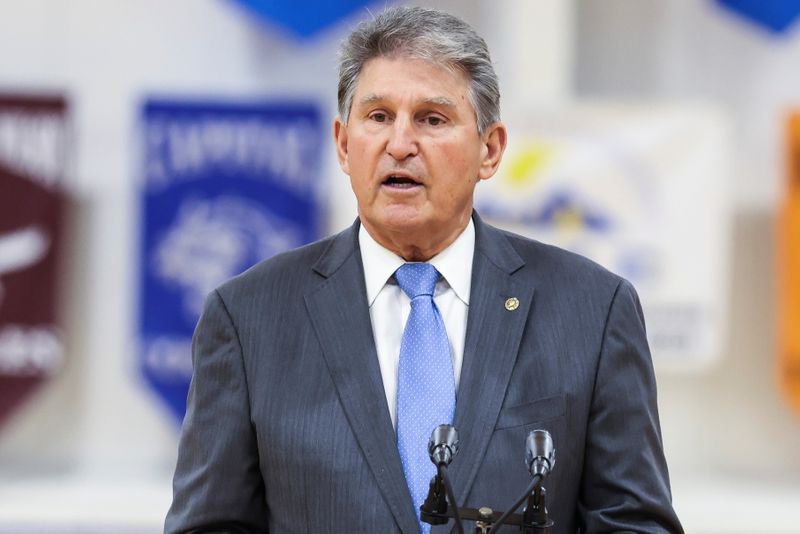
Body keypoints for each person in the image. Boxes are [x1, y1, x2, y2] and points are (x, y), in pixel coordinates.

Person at [165, 6, 683, 534]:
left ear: (490, 150)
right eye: (378, 117)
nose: (400, 144)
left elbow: (634, 524)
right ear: (343, 144)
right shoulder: (248, 316)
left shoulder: (592, 309)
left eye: (432, 119)